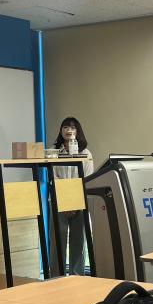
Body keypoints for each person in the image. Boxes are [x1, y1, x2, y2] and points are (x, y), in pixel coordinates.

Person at [52, 117, 94, 276]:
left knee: (78, 242)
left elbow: (87, 179)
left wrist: (75, 203)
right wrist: (64, 203)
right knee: (57, 242)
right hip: (58, 202)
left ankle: (77, 277)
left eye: (72, 127)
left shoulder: (86, 153)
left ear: (78, 131)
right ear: (60, 130)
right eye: (65, 127)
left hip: (79, 203)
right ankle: (56, 277)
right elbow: (53, 178)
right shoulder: (54, 152)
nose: (68, 130)